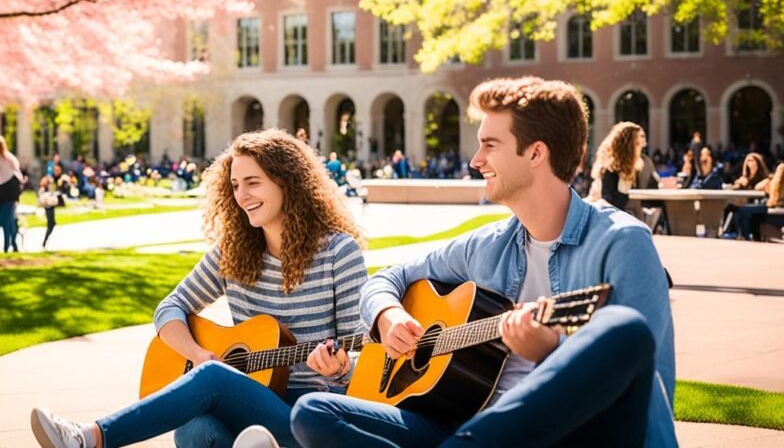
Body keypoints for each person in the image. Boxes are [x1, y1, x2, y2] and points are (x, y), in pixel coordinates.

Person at [290, 76, 676, 448]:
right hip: (470, 422)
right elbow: (388, 277)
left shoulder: (622, 241)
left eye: (490, 145)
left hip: (576, 432)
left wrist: (551, 351)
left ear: (536, 153)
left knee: (624, 328)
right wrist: (387, 315)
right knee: (314, 412)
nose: (475, 161)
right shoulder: (489, 246)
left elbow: (641, 380)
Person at [30, 129, 369, 448]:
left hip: (307, 417)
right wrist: (197, 354)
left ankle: (89, 438)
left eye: (253, 182)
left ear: (288, 184)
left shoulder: (339, 253)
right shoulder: (233, 253)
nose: (242, 196)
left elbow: (363, 351)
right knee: (196, 428)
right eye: (235, 185)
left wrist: (342, 368)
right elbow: (170, 307)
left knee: (212, 378)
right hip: (243, 405)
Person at [589, 122, 645, 211]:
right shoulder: (610, 168)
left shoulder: (634, 168)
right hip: (602, 214)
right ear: (628, 146)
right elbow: (608, 201)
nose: (642, 146)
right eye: (637, 143)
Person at [0, 135, 24, 253]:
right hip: (11, 191)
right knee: (8, 220)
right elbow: (18, 174)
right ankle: (9, 246)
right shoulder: (10, 158)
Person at [733, 163, 784, 241]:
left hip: (777, 210)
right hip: (776, 209)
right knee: (751, 215)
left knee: (742, 211)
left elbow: (776, 190)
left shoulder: (782, 168)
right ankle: (752, 239)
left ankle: (746, 239)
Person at [38, 176, 61, 249]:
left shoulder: (49, 189)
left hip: (51, 206)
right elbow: (42, 199)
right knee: (50, 224)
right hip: (48, 207)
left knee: (52, 223)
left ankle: (45, 241)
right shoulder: (43, 189)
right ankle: (44, 241)